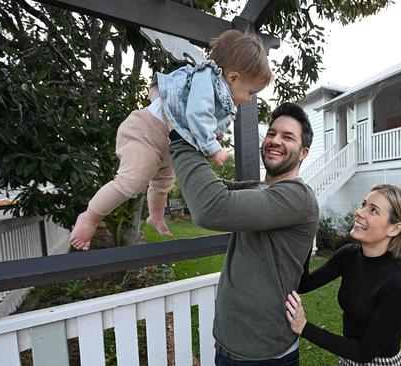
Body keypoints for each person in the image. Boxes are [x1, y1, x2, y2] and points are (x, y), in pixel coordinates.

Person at [70, 29, 272, 250]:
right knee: (132, 182)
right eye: (251, 92)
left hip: (168, 142)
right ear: (233, 77)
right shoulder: (206, 77)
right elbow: (197, 113)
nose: (250, 98)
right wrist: (213, 147)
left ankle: (155, 216)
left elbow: (205, 119)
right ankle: (90, 216)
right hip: (146, 132)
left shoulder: (220, 90)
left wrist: (215, 133)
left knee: (163, 182)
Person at [169, 101, 319, 365]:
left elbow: (211, 207)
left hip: (265, 356)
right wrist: (204, 138)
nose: (275, 140)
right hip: (226, 345)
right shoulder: (259, 188)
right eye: (271, 133)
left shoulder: (298, 198)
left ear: (304, 152)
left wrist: (181, 137)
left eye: (288, 137)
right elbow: (203, 191)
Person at [286, 184, 401, 366]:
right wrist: (306, 236)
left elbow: (364, 352)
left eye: (373, 210)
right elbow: (304, 284)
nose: (360, 212)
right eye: (364, 204)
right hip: (347, 357)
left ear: (395, 229)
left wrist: (304, 327)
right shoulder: (349, 255)